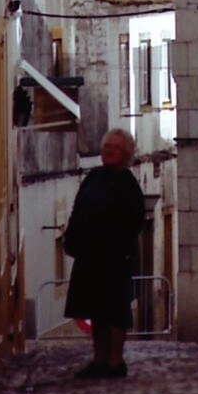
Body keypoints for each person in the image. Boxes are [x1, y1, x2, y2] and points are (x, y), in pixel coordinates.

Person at [64, 128, 145, 378]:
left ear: (127, 154)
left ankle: (114, 361)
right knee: (95, 311)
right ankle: (98, 360)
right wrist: (73, 238)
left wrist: (116, 245)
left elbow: (135, 221)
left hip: (114, 259)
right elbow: (79, 209)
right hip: (89, 256)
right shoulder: (94, 177)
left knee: (114, 312)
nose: (110, 151)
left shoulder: (128, 184)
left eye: (116, 147)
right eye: (108, 146)